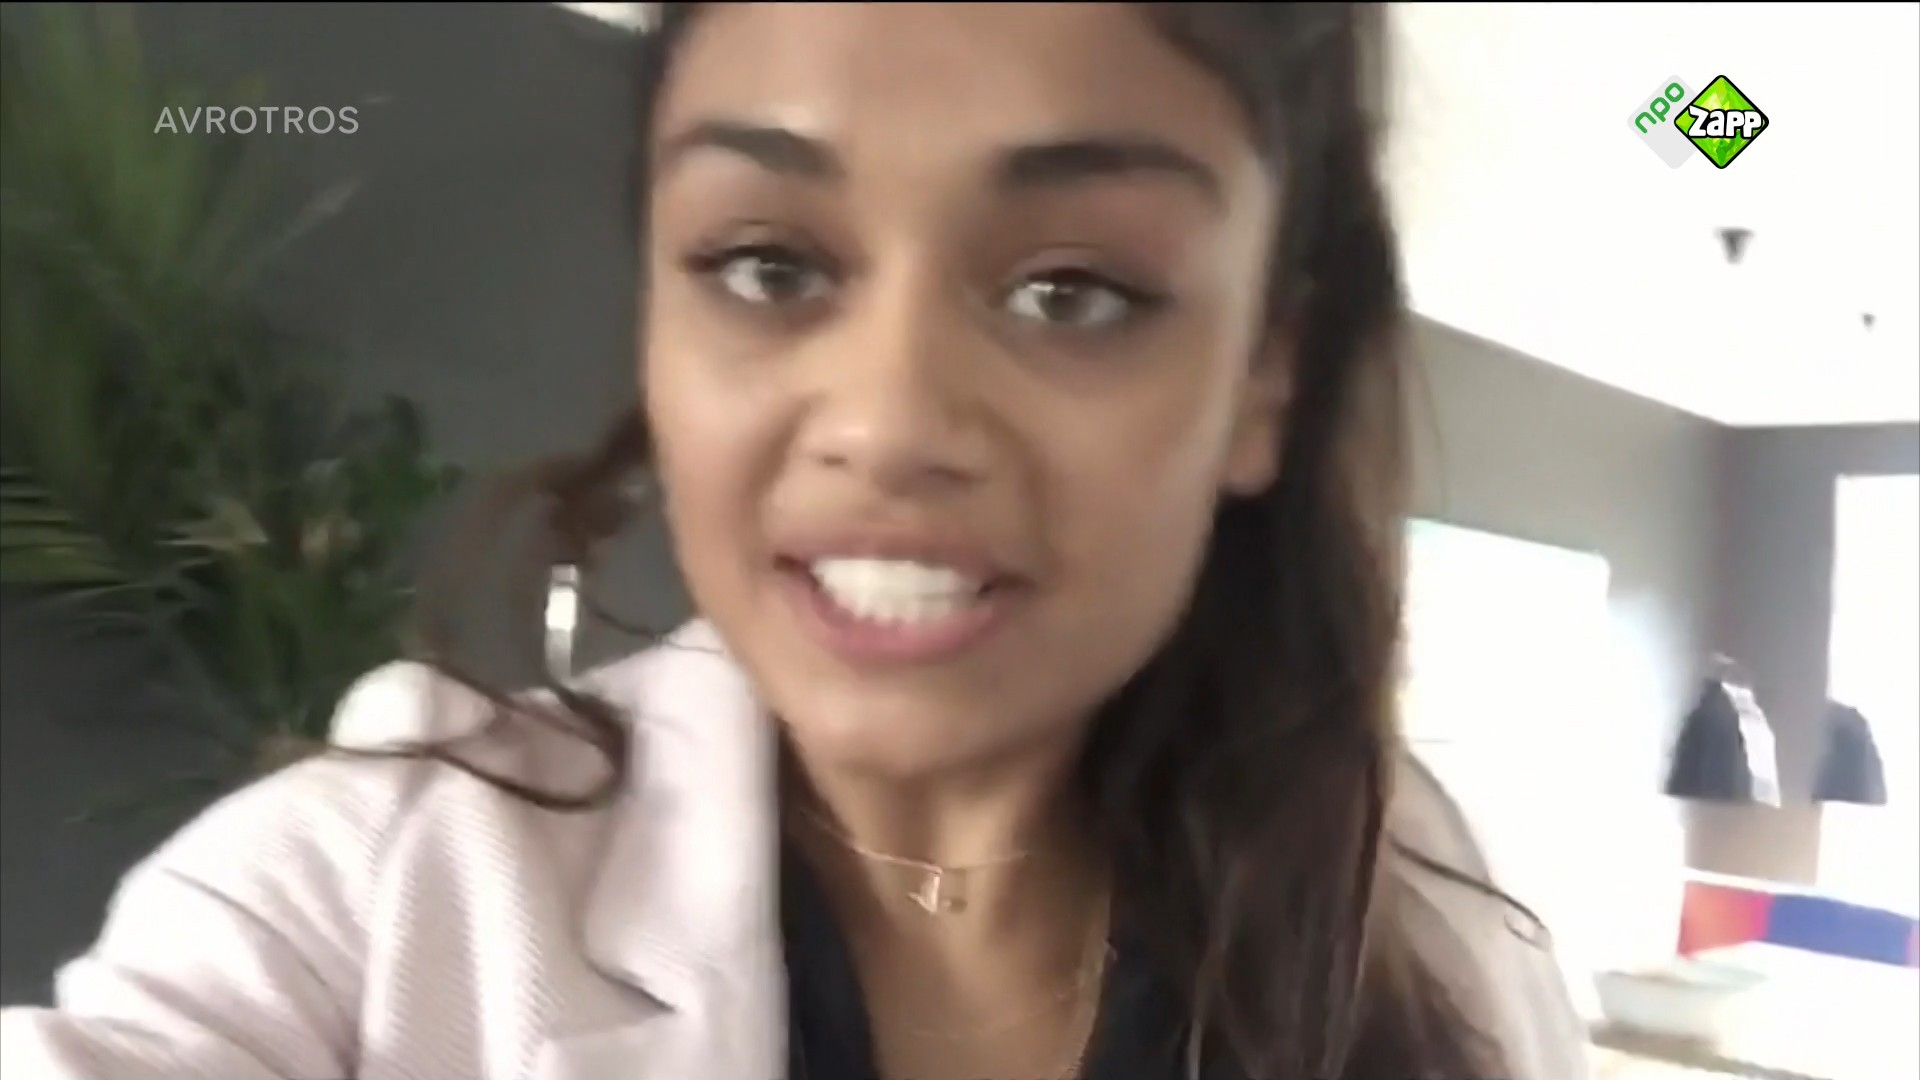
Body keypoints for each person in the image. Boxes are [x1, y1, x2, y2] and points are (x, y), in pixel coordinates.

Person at [0, 4, 1592, 1078]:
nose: (888, 422)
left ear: (1262, 380)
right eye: (769, 267)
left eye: (1074, 292)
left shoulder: (1430, 942)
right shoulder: (350, 908)